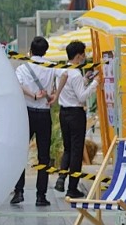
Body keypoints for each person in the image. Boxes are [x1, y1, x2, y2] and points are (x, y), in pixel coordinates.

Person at [9, 36, 58, 207]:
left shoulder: (23, 68)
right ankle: (41, 196)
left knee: (21, 153)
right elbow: (66, 74)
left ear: (30, 50)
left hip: (27, 114)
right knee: (43, 156)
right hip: (44, 114)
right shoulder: (51, 67)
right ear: (45, 51)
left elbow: (17, 84)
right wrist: (55, 95)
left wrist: (33, 95)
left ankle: (19, 191)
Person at [53, 40, 99, 198]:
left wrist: (85, 80)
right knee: (77, 151)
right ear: (78, 56)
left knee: (68, 148)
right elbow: (81, 97)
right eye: (83, 54)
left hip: (64, 112)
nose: (84, 57)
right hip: (76, 114)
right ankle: (72, 187)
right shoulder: (75, 74)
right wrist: (95, 83)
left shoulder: (62, 70)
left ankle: (61, 178)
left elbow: (72, 89)